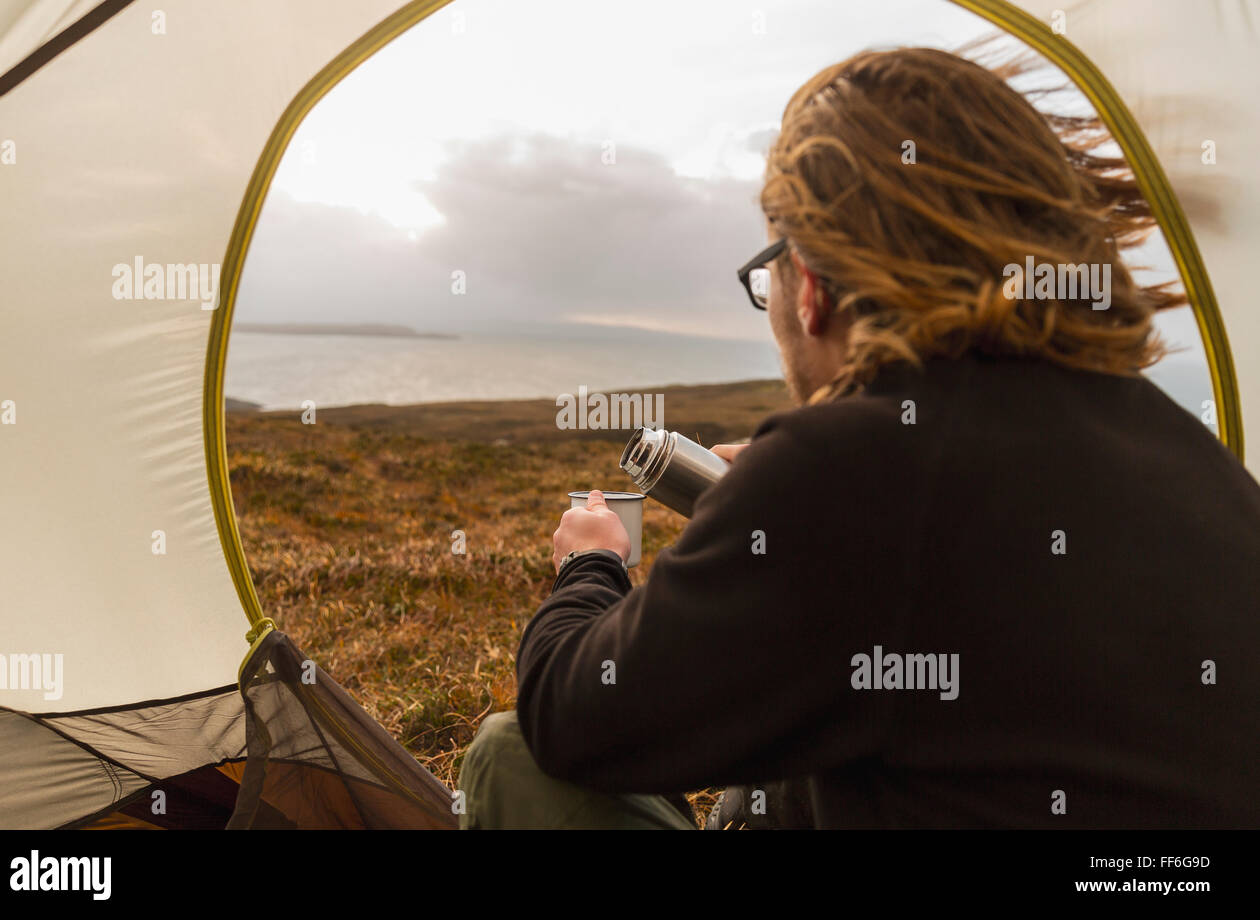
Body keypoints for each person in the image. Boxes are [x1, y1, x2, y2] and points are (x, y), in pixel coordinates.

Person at [457, 47, 1260, 829]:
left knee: (510, 757)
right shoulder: (1199, 467)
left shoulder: (857, 471)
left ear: (808, 284)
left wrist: (590, 564)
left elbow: (571, 717)